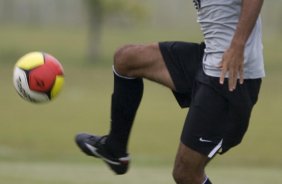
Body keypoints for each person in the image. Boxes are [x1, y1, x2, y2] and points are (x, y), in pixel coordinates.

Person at [75, 0, 265, 183]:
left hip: (232, 73)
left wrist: (238, 46)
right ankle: (115, 149)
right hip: (209, 58)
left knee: (186, 173)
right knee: (127, 59)